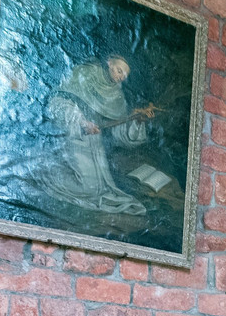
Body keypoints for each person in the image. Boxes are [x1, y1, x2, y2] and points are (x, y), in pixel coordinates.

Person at [43, 56, 155, 216]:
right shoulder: (85, 73)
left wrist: (136, 120)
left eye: (124, 75)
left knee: (99, 190)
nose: (121, 76)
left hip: (95, 144)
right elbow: (57, 101)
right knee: (88, 188)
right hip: (73, 136)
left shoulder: (117, 95)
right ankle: (44, 173)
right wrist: (81, 122)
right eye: (119, 70)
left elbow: (119, 134)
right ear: (109, 63)